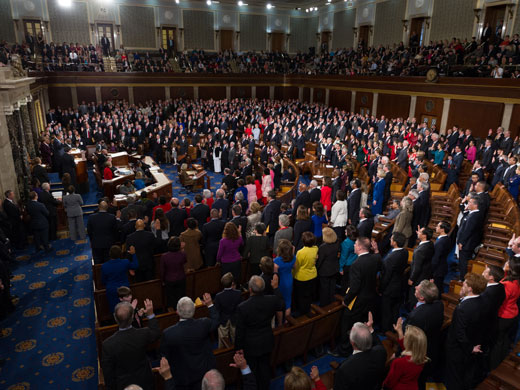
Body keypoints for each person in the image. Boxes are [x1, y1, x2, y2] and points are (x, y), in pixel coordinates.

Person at [332, 237, 381, 357]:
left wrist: (346, 300)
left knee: (346, 325)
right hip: (370, 299)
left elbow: (355, 288)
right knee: (363, 324)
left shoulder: (356, 264)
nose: (354, 246)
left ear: (359, 247)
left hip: (357, 301)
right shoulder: (375, 258)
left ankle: (344, 350)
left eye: (355, 244)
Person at [235, 275, 285, 390]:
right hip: (266, 341)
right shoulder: (272, 300)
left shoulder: (243, 307)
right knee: (264, 367)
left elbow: (240, 330)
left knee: (252, 370)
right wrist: (276, 288)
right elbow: (282, 304)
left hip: (250, 346)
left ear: (250, 289)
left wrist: (238, 347)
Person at [160, 294, 219, 390]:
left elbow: (164, 356)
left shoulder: (168, 333)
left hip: (182, 378)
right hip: (203, 373)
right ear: (194, 310)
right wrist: (210, 305)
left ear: (177, 312)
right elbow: (216, 321)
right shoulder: (204, 323)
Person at [101, 299, 161, 390]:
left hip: (123, 385)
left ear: (115, 317)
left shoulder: (108, 344)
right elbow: (156, 333)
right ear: (132, 317)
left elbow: (108, 374)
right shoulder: (143, 334)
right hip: (145, 381)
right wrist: (150, 314)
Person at [445, 273, 488, 390]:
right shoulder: (482, 301)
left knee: (454, 379)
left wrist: (470, 348)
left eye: (464, 283)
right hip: (472, 343)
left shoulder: (462, 309)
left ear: (470, 288)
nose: (462, 284)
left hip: (458, 349)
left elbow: (459, 334)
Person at [333, 322, 387, 390]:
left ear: (352, 342)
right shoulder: (380, 352)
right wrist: (370, 329)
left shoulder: (344, 369)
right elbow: (378, 344)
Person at [489, 256, 520, 369]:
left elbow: (499, 300)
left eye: (508, 262)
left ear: (511, 268)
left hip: (504, 316)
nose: (506, 262)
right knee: (504, 339)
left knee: (498, 342)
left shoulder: (508, 285)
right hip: (512, 314)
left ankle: (494, 366)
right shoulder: (516, 280)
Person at [383, 324, 429, 390]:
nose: (404, 337)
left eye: (405, 336)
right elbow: (409, 347)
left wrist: (383, 386)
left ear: (408, 342)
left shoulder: (399, 362)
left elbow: (389, 382)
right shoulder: (422, 357)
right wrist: (400, 332)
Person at [379, 232, 408, 332]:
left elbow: (386, 276)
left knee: (386, 310)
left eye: (391, 239)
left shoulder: (391, 258)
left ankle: (385, 331)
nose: (390, 240)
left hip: (390, 289)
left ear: (394, 242)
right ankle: (394, 327)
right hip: (399, 286)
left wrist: (380, 289)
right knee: (395, 309)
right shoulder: (404, 252)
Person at [101, 245, 139, 313]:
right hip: (124, 289)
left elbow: (103, 281)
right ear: (120, 254)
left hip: (111, 290)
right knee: (127, 310)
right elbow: (135, 265)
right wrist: (133, 254)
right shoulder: (125, 262)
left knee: (115, 310)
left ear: (110, 254)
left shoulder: (104, 266)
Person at [456, 197, 483, 280]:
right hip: (466, 243)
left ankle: (463, 279)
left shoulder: (475, 216)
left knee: (463, 262)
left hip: (466, 244)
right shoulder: (472, 214)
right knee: (462, 262)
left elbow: (468, 230)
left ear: (475, 205)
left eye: (470, 202)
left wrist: (461, 242)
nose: (468, 204)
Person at [293, 232, 319, 317]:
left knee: (301, 296)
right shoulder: (315, 248)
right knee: (308, 295)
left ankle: (303, 313)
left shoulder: (301, 252)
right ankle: (307, 310)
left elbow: (297, 266)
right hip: (312, 275)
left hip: (302, 277)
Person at [408, 227, 434, 309]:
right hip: (425, 274)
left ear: (424, 235)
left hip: (418, 278)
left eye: (420, 232)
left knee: (414, 297)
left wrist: (412, 279)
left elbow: (417, 267)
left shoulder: (420, 250)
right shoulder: (430, 244)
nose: (418, 232)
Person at [214, 272, 242, 347]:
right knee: (235, 339)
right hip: (235, 319)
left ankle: (222, 355)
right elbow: (240, 307)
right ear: (232, 283)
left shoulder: (218, 296)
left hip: (223, 320)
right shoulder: (238, 293)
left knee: (222, 340)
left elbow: (217, 309)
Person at [160, 237, 187, 309]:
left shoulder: (164, 256)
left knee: (171, 298)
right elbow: (184, 262)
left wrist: (162, 281)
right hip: (181, 278)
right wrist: (182, 250)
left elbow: (162, 270)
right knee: (181, 297)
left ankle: (172, 313)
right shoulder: (183, 254)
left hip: (169, 280)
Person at [317, 227, 340, 307]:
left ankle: (324, 306)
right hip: (334, 269)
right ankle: (332, 303)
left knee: (324, 289)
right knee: (332, 288)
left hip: (325, 271)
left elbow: (320, 261)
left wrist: (316, 269)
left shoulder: (323, 247)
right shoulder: (337, 243)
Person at [273, 239, 296, 316]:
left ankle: (279, 324)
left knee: (279, 303)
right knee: (288, 301)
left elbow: (274, 273)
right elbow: (294, 267)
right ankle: (287, 322)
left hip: (280, 282)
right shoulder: (293, 258)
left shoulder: (276, 260)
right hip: (289, 280)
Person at [432, 221, 452, 294]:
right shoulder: (446, 238)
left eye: (438, 226)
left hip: (438, 269)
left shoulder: (441, 242)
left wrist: (431, 270)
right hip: (441, 267)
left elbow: (436, 258)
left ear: (442, 229)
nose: (436, 227)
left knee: (436, 290)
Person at [339, 225, 358, 292]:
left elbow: (343, 256)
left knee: (345, 282)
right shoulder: (357, 239)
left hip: (347, 265)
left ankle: (344, 295)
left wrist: (340, 268)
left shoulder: (346, 243)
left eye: (346, 230)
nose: (345, 231)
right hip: (355, 262)